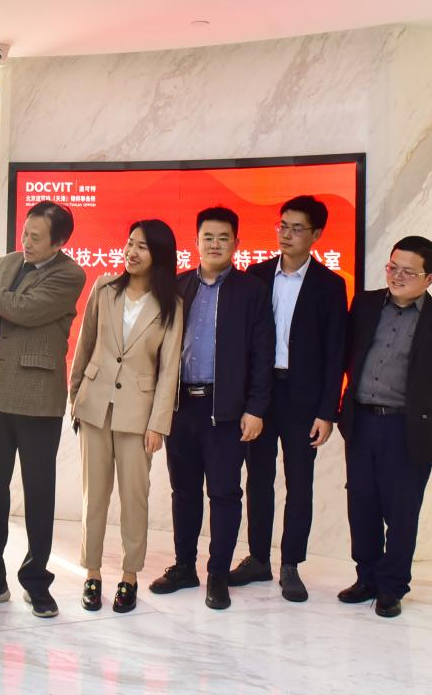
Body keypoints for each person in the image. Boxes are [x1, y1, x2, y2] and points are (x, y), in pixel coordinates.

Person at [0, 200, 86, 618]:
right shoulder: (8, 262)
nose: (26, 242)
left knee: (39, 494)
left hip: (37, 399)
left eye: (36, 238)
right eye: (25, 233)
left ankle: (36, 582)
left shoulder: (70, 274)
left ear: (59, 243)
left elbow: (22, 310)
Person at [149, 206, 273, 610]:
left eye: (223, 238)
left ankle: (217, 574)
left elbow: (262, 354)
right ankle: (185, 567)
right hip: (181, 406)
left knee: (224, 493)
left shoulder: (251, 290)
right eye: (208, 237)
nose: (215, 244)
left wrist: (256, 408)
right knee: (183, 491)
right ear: (197, 241)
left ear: (236, 243)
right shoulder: (178, 286)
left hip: (226, 411)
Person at [337, 236, 432, 618]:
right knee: (362, 505)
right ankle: (366, 578)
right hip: (361, 423)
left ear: (430, 278)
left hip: (406, 430)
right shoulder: (364, 305)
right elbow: (347, 355)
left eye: (408, 272)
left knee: (401, 511)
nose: (397, 276)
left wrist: (420, 413)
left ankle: (392, 587)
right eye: (393, 267)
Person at [230, 196, 347, 602]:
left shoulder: (330, 286)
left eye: (297, 228)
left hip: (303, 400)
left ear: (316, 235)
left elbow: (335, 353)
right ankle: (258, 558)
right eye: (283, 225)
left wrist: (327, 412)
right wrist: (246, 400)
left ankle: (291, 564)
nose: (286, 234)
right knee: (258, 479)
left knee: (299, 484)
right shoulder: (257, 275)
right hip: (261, 396)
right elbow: (244, 341)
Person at [68, 220, 182, 614]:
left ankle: (129, 576)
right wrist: (75, 397)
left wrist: (158, 424)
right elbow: (84, 345)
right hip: (95, 407)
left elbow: (169, 369)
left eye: (142, 247)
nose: (131, 252)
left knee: (135, 499)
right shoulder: (103, 288)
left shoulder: (171, 305)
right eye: (130, 243)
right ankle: (92, 574)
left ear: (159, 255)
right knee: (93, 497)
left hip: (138, 415)